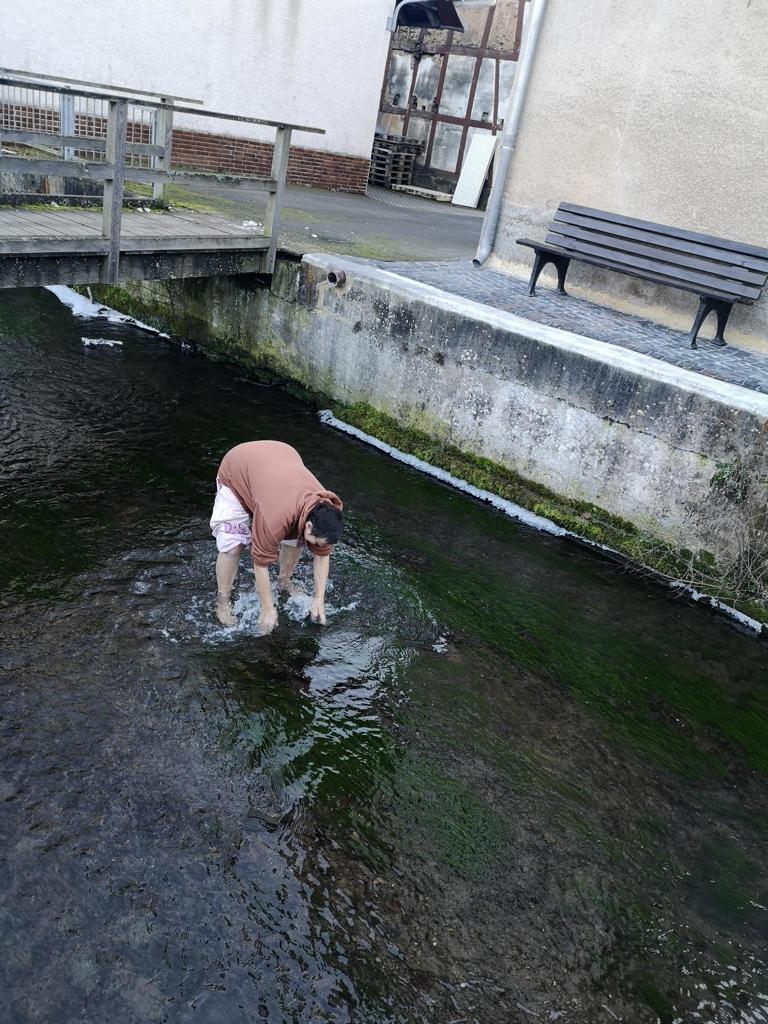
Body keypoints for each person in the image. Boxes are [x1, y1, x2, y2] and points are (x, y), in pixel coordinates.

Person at [210, 440, 343, 630]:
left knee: (297, 539)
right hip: (237, 470)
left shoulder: (328, 512)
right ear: (309, 524)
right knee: (233, 546)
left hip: (281, 460)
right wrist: (267, 609)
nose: (314, 546)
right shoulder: (275, 516)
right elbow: (260, 562)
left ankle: (284, 582)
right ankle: (222, 600)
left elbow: (322, 556)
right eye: (314, 541)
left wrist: (319, 599)